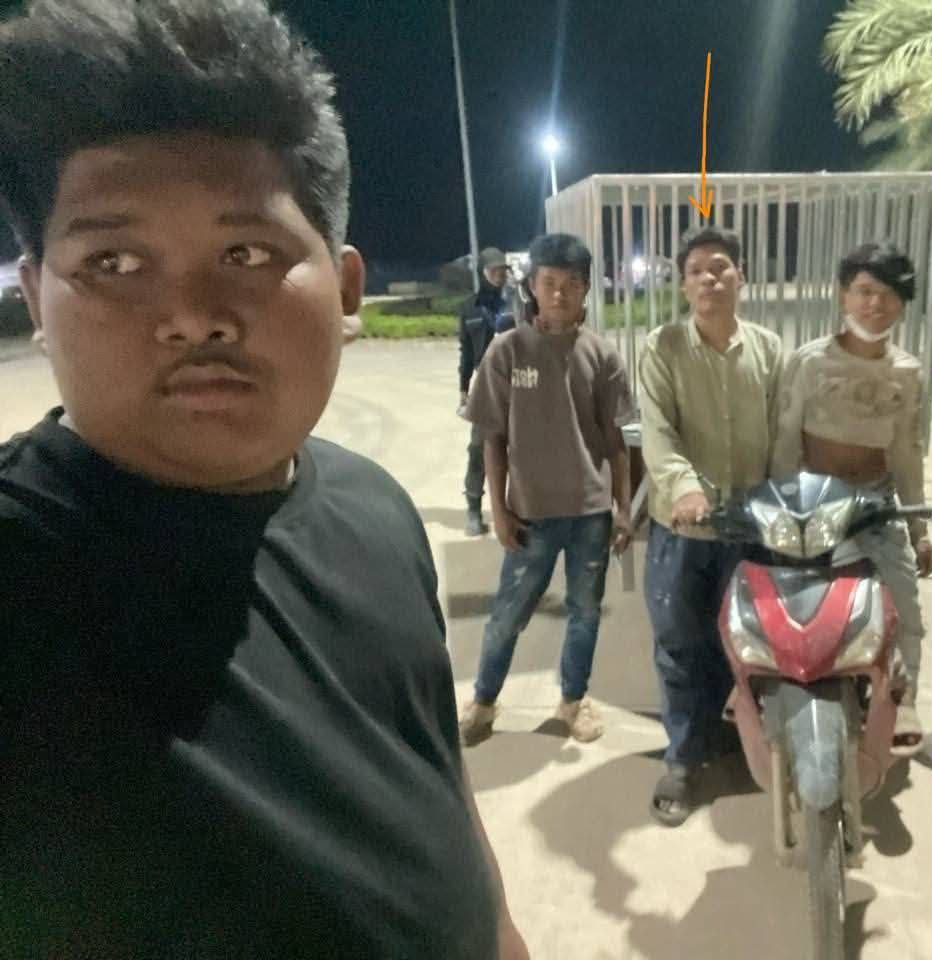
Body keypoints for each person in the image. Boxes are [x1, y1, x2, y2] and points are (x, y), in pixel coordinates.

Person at [0, 2, 527, 957]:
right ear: (38, 297)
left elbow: (438, 788)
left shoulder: (375, 509)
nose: (192, 314)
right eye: (113, 261)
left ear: (346, 286)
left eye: (245, 253)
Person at [458, 233, 634, 747]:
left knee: (585, 613)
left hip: (590, 514)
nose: (559, 293)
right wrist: (498, 509)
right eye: (549, 282)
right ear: (532, 286)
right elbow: (491, 437)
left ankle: (573, 700)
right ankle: (484, 700)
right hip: (530, 515)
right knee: (507, 615)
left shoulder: (601, 355)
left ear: (586, 289)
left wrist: (623, 508)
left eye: (571, 283)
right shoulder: (508, 350)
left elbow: (616, 440)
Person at [640, 225, 784, 827]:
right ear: (683, 284)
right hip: (683, 531)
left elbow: (784, 435)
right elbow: (658, 431)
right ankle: (682, 756)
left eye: (720, 267)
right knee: (680, 643)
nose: (709, 279)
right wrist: (686, 488)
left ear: (741, 277)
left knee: (744, 642)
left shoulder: (770, 351)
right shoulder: (662, 348)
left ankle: (724, 733)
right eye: (697, 270)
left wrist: (785, 500)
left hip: (748, 530)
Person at [771, 243, 932, 759]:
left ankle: (903, 701)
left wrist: (919, 530)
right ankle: (761, 689)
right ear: (843, 295)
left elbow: (906, 452)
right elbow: (784, 442)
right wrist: (781, 509)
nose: (875, 305)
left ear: (902, 304)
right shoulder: (809, 362)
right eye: (864, 291)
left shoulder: (907, 372)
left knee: (903, 607)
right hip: (811, 504)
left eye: (888, 295)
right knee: (788, 603)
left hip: (878, 507)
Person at [459, 246, 517, 536]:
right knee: (478, 448)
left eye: (502, 270)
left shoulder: (517, 303)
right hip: (485, 387)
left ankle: (519, 508)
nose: (499, 275)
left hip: (519, 382)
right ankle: (473, 507)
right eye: (494, 270)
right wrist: (463, 388)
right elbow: (467, 352)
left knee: (522, 446)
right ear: (482, 272)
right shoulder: (469, 308)